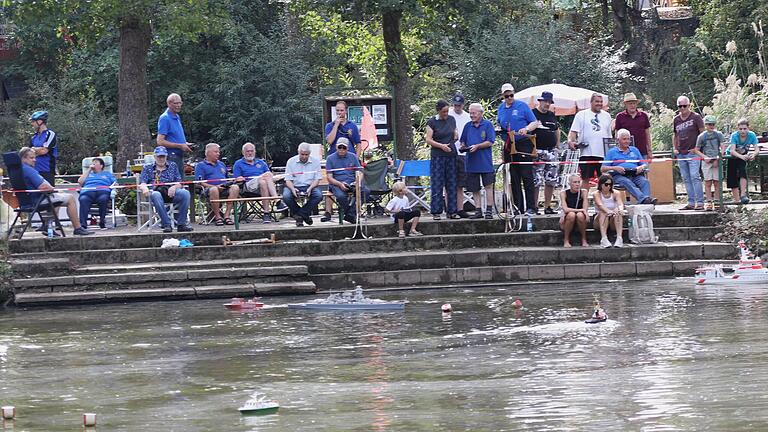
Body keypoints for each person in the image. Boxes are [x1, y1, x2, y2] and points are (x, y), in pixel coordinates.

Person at [18, 147, 92, 236]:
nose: (35, 160)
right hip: (37, 200)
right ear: (23, 158)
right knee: (70, 198)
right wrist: (52, 189)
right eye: (31, 158)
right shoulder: (29, 170)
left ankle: (47, 226)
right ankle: (77, 228)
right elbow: (44, 187)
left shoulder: (18, 170)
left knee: (57, 198)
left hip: (27, 201)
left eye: (35, 157)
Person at [497, 83, 539, 214]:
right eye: (507, 96)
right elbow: (500, 123)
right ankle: (517, 207)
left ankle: (531, 207)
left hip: (523, 143)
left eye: (511, 95)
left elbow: (534, 122)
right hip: (509, 144)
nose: (509, 98)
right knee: (513, 177)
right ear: (503, 96)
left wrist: (525, 129)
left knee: (526, 176)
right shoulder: (500, 108)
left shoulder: (522, 106)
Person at [321, 100, 362, 222]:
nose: (339, 113)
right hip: (334, 159)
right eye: (337, 110)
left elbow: (358, 144)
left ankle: (352, 212)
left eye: (342, 110)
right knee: (332, 186)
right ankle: (329, 212)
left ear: (346, 111)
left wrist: (355, 157)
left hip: (349, 160)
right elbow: (329, 141)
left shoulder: (352, 126)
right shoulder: (330, 125)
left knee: (359, 189)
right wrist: (336, 125)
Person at [139, 146, 193, 233]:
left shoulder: (173, 165)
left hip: (171, 192)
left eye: (163, 156)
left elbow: (179, 182)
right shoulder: (147, 167)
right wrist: (144, 188)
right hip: (155, 193)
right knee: (156, 194)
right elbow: (142, 183)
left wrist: (174, 187)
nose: (161, 159)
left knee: (185, 193)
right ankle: (166, 224)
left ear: (166, 156)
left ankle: (181, 224)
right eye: (159, 156)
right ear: (155, 157)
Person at [601, 129, 658, 205]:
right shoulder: (612, 152)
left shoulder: (634, 150)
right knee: (626, 182)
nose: (627, 141)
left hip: (635, 174)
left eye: (628, 139)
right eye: (624, 139)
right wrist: (615, 168)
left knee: (645, 181)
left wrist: (640, 168)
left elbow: (644, 164)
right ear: (618, 140)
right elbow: (603, 169)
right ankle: (645, 200)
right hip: (619, 176)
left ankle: (645, 202)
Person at [460, 103, 496, 219]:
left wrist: (477, 146)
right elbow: (463, 141)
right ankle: (478, 210)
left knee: (488, 186)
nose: (471, 115)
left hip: (485, 161)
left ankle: (489, 210)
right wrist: (463, 146)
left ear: (481, 113)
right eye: (470, 113)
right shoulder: (467, 126)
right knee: (474, 188)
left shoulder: (488, 125)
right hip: (471, 162)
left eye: (474, 113)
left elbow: (490, 141)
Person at [568, 94, 612, 185]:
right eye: (597, 101)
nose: (599, 104)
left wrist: (610, 152)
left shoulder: (607, 116)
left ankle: (602, 199)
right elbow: (573, 132)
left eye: (601, 102)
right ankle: (584, 199)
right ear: (591, 102)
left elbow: (609, 136)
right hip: (586, 153)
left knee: (604, 180)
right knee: (585, 179)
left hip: (603, 153)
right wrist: (570, 141)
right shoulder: (581, 115)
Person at [426, 99, 458, 219]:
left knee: (452, 183)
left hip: (451, 154)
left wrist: (456, 135)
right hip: (438, 155)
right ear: (438, 111)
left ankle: (452, 211)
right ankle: (436, 211)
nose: (446, 114)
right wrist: (441, 146)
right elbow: (428, 139)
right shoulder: (432, 122)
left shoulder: (451, 119)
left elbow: (454, 131)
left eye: (447, 111)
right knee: (437, 183)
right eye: (443, 111)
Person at [233, 142, 279, 224]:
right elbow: (237, 179)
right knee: (265, 177)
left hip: (262, 187)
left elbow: (270, 176)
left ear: (255, 152)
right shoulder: (238, 164)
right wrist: (239, 179)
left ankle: (266, 213)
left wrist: (265, 177)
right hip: (248, 187)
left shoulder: (261, 163)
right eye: (247, 151)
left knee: (263, 182)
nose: (250, 153)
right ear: (243, 152)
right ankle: (277, 200)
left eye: (251, 151)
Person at [673, 95, 705, 210]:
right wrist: (675, 148)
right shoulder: (676, 119)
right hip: (681, 152)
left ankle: (700, 202)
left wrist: (698, 148)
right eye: (679, 106)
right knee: (685, 178)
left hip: (693, 152)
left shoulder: (696, 117)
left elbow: (702, 134)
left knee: (695, 176)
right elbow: (675, 134)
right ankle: (691, 202)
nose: (682, 108)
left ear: (689, 105)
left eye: (684, 106)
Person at [195, 143, 239, 226]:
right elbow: (199, 182)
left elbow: (226, 178)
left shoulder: (221, 164)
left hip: (223, 188)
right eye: (216, 152)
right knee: (214, 189)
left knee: (235, 187)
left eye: (218, 152)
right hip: (209, 190)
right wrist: (214, 186)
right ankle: (218, 217)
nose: (218, 154)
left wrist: (231, 181)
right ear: (208, 153)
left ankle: (226, 215)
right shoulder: (200, 166)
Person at [326, 137, 367, 224]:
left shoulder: (353, 156)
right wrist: (340, 184)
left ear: (347, 148)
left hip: (352, 182)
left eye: (344, 148)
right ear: (336, 147)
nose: (341, 150)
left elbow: (360, 171)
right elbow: (329, 177)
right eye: (339, 147)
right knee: (341, 196)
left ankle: (350, 214)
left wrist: (357, 182)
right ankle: (350, 214)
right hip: (337, 184)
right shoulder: (330, 158)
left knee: (366, 191)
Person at [531, 91, 560, 214]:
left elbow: (557, 129)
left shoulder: (551, 115)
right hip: (537, 151)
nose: (547, 104)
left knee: (551, 180)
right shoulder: (532, 114)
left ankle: (547, 207)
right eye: (545, 101)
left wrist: (557, 145)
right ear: (540, 101)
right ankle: (534, 206)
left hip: (551, 151)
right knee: (536, 181)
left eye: (549, 102)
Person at [283, 142, 322, 227]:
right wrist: (293, 189)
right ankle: (304, 216)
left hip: (310, 186)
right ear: (298, 152)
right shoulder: (291, 161)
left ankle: (299, 215)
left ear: (309, 154)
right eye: (302, 154)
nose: (304, 156)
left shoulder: (316, 162)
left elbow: (317, 179)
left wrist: (310, 188)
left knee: (318, 195)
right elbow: (288, 180)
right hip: (294, 185)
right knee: (286, 196)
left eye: (306, 154)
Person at [157, 93, 194, 178]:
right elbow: (160, 141)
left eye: (180, 103)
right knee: (175, 181)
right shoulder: (165, 118)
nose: (178, 105)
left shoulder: (177, 116)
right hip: (171, 156)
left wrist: (185, 143)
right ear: (169, 104)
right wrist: (180, 145)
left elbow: (174, 137)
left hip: (179, 155)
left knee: (181, 181)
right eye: (175, 103)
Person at [694, 115, 726, 210]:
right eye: (709, 124)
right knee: (708, 182)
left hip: (716, 160)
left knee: (717, 182)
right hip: (706, 161)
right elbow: (696, 150)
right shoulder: (701, 136)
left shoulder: (718, 134)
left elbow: (723, 146)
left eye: (712, 124)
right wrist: (704, 157)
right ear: (705, 125)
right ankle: (708, 201)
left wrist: (718, 158)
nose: (711, 126)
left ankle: (716, 201)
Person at [448, 93, 472, 218]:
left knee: (460, 184)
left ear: (463, 105)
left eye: (459, 105)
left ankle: (460, 208)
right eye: (455, 105)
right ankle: (449, 209)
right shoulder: (448, 115)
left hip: (462, 152)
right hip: (449, 152)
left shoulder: (468, 117)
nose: (457, 107)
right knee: (449, 182)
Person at [726, 118, 760, 204]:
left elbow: (757, 149)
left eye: (744, 129)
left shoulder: (752, 135)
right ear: (738, 129)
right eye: (740, 129)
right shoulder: (734, 135)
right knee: (732, 176)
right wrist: (741, 156)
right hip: (732, 157)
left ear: (748, 128)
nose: (742, 131)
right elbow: (732, 150)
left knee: (742, 172)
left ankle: (743, 195)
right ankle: (737, 200)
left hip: (743, 156)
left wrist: (753, 154)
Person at [77, 157, 116, 230]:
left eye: (96, 162)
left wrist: (114, 187)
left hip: (103, 191)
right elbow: (80, 182)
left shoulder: (107, 174)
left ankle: (102, 222)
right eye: (92, 162)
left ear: (101, 166)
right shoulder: (88, 174)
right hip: (88, 191)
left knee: (103, 199)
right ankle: (83, 225)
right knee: (83, 199)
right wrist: (89, 170)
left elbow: (115, 183)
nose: (93, 164)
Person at [613, 93, 652, 162]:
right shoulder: (620, 116)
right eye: (630, 103)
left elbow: (647, 134)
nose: (632, 105)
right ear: (625, 104)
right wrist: (618, 150)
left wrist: (650, 151)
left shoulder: (643, 115)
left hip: (642, 151)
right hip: (625, 152)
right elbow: (617, 135)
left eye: (634, 103)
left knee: (644, 171)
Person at [593, 174, 624, 248]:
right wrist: (608, 211)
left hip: (612, 219)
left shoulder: (616, 193)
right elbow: (600, 205)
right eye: (606, 184)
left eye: (610, 184)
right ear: (601, 184)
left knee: (618, 213)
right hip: (599, 219)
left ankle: (619, 238)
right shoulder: (596, 194)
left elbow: (620, 203)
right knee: (603, 212)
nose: (608, 186)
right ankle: (604, 238)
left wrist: (620, 209)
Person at [29, 110, 58, 185]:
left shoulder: (50, 134)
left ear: (40, 121)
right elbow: (29, 153)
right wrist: (36, 150)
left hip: (47, 170)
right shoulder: (34, 137)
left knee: (48, 195)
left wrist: (34, 149)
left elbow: (44, 151)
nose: (32, 124)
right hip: (34, 171)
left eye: (33, 121)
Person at [559, 174, 588, 248]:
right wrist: (581, 210)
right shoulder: (564, 193)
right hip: (568, 218)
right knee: (571, 214)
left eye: (579, 182)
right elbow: (565, 209)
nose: (577, 184)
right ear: (569, 183)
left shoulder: (584, 192)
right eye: (575, 182)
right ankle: (566, 239)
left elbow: (585, 208)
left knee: (580, 215)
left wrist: (582, 211)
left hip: (580, 218)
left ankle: (584, 239)